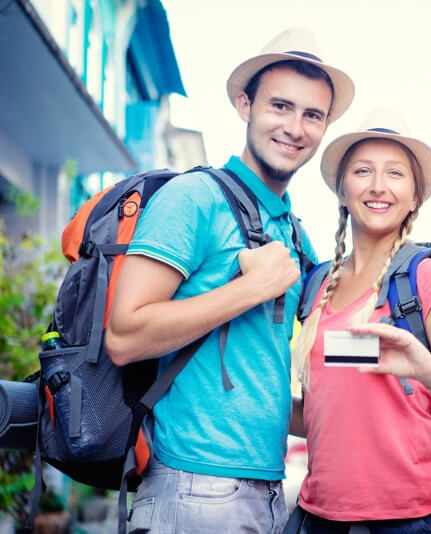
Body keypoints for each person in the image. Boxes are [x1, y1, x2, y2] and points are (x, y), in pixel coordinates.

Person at [104, 28, 354, 533]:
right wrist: (248, 290)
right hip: (193, 489)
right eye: (280, 106)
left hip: (264, 490)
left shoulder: (291, 231)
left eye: (313, 115)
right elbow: (124, 336)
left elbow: (258, 384)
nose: (295, 127)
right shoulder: (195, 198)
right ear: (245, 105)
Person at [287, 108, 431, 533]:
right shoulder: (315, 287)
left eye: (395, 174)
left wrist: (430, 372)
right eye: (363, 171)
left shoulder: (428, 278)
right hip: (322, 519)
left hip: (418, 520)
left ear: (415, 197)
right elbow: (327, 413)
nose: (378, 186)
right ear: (343, 190)